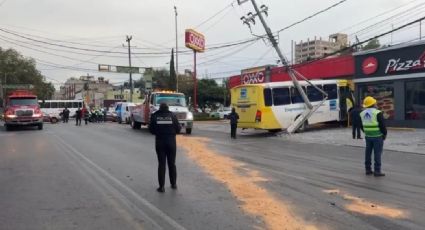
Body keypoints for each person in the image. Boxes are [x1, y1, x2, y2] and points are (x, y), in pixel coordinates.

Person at [149, 103, 181, 193]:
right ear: (167, 108)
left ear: (160, 108)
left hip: (160, 142)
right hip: (171, 142)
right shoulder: (172, 116)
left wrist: (158, 132)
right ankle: (173, 184)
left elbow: (151, 130)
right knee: (172, 164)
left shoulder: (155, 116)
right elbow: (178, 129)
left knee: (161, 164)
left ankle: (161, 187)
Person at [360, 96, 387, 177]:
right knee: (377, 153)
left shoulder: (362, 113)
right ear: (373, 104)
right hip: (377, 136)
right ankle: (377, 171)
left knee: (368, 153)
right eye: (375, 102)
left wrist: (366, 132)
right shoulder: (377, 113)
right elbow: (382, 125)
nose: (376, 103)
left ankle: (368, 169)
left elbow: (361, 125)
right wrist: (384, 134)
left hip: (368, 136)